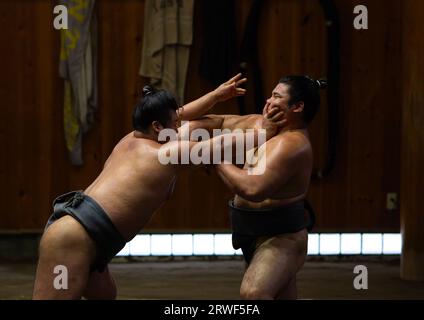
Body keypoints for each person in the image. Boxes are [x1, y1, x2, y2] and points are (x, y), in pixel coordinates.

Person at [32, 74, 282, 300]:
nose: (180, 127)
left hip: (88, 239)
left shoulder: (131, 138)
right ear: (158, 127)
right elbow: (218, 146)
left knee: (105, 296)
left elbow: (182, 112)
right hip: (72, 240)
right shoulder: (166, 153)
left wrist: (216, 96)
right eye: (175, 124)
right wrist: (265, 132)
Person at [201, 75, 326, 299]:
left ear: (297, 107)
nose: (268, 101)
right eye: (271, 94)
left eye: (277, 97)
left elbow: (253, 189)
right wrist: (215, 96)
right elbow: (216, 121)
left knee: (254, 294)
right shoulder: (261, 124)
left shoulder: (292, 144)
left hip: (281, 235)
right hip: (250, 230)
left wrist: (216, 157)